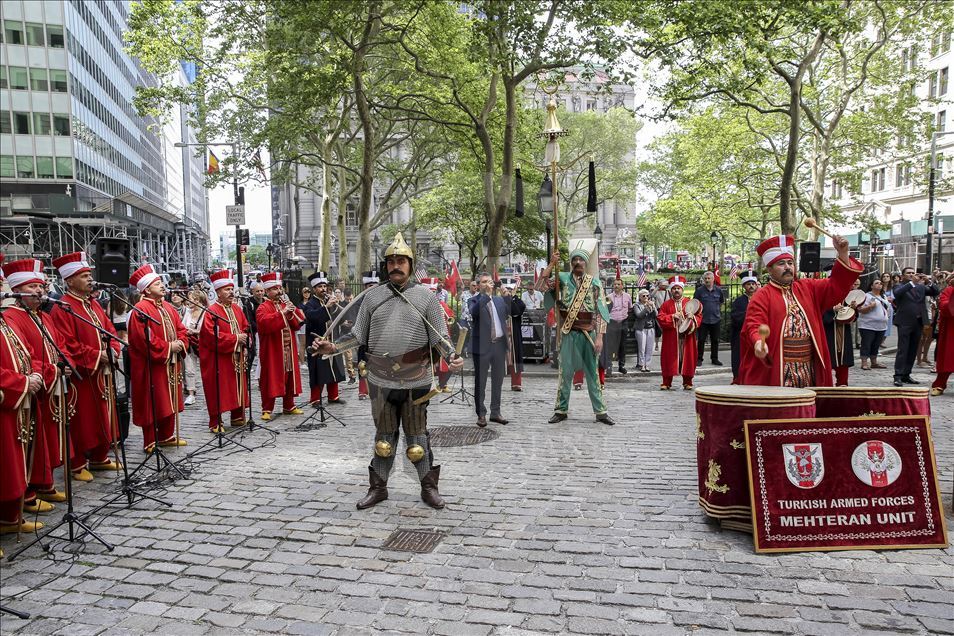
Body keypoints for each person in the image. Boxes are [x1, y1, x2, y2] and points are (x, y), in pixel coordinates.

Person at [311, 233, 462, 510]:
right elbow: (357, 336)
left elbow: (440, 337)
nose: (396, 265)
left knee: (417, 439)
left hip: (416, 378)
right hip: (381, 379)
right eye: (391, 260)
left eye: (401, 260)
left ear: (410, 264)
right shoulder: (372, 297)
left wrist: (451, 356)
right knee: (384, 438)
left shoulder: (426, 297)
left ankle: (429, 487)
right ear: (386, 265)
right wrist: (331, 348)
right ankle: (378, 487)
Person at [739, 234, 863, 387]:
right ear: (769, 269)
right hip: (779, 367)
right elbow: (754, 323)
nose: (787, 267)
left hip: (809, 368)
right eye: (781, 263)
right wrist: (758, 342)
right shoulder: (762, 295)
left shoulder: (808, 287)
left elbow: (836, 286)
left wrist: (843, 254)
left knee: (808, 406)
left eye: (790, 263)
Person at [1, 259, 67, 515]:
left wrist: (57, 366)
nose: (40, 291)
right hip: (22, 393)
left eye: (41, 286)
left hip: (35, 387)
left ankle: (36, 490)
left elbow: (29, 354)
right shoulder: (12, 317)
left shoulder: (37, 317)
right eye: (33, 286)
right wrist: (33, 377)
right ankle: (22, 500)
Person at [50, 252, 123, 480]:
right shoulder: (62, 307)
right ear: (70, 280)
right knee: (83, 419)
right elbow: (67, 343)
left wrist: (112, 349)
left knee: (104, 415)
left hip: (103, 371)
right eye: (83, 276)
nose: (90, 279)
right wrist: (95, 356)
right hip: (83, 376)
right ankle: (78, 463)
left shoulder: (93, 305)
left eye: (90, 274)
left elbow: (110, 329)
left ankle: (100, 457)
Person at [536, 241, 616, 425]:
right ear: (571, 263)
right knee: (565, 373)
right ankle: (561, 410)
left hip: (588, 333)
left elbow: (601, 311)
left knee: (592, 374)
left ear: (586, 263)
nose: (578, 262)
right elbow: (541, 286)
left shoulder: (594, 282)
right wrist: (551, 263)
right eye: (575, 259)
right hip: (569, 332)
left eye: (581, 259)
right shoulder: (562, 278)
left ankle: (601, 412)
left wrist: (600, 337)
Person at [127, 265, 189, 452]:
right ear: (146, 289)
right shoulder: (140, 309)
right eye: (157, 283)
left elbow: (181, 329)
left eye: (162, 283)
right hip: (152, 365)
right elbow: (143, 340)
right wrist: (170, 346)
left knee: (169, 399)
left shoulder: (168, 307)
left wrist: (181, 342)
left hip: (171, 363)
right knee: (153, 400)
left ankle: (167, 435)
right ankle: (150, 440)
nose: (162, 286)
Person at [0, 306, 45, 536]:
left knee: (15, 462)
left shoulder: (6, 321)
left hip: (18, 400)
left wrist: (35, 374)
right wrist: (20, 382)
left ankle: (11, 518)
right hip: (7, 398)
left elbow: (29, 352)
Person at [199, 270, 251, 432]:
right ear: (218, 292)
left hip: (237, 356)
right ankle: (216, 422)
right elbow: (209, 336)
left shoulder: (237, 309)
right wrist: (235, 339)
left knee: (238, 385)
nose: (231, 292)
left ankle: (237, 416)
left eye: (231, 289)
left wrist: (246, 341)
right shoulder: (211, 311)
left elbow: (245, 327)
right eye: (227, 289)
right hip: (219, 359)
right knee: (219, 388)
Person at [256, 272, 306, 420]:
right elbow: (264, 324)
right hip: (273, 350)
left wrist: (291, 312)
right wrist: (282, 313)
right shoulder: (263, 307)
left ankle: (289, 405)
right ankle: (267, 409)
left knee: (289, 376)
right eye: (275, 289)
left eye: (279, 288)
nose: (279, 291)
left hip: (288, 349)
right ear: (267, 291)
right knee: (270, 377)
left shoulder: (285, 304)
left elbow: (298, 324)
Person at [469, 273, 510, 427]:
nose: (487, 284)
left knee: (498, 381)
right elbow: (474, 312)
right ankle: (481, 414)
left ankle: (495, 412)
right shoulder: (474, 299)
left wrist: (508, 297)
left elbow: (513, 312)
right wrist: (486, 295)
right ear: (478, 285)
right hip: (482, 347)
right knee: (481, 382)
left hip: (499, 345)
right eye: (484, 282)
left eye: (489, 282)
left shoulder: (499, 300)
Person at [892, 267, 939, 387]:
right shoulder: (899, 286)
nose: (912, 274)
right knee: (903, 349)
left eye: (913, 273)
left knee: (913, 349)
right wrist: (912, 282)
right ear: (903, 276)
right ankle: (898, 375)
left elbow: (935, 292)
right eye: (909, 273)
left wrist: (930, 281)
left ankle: (906, 374)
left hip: (918, 321)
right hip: (905, 321)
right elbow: (897, 294)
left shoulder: (920, 287)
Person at [304, 271, 346, 406]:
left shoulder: (329, 301)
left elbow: (339, 318)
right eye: (320, 287)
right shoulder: (310, 304)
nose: (323, 289)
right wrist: (326, 307)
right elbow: (312, 317)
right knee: (318, 370)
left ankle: (333, 396)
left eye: (324, 286)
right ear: (314, 289)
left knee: (334, 367)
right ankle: (315, 399)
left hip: (332, 340)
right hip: (317, 343)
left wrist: (335, 306)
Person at [657, 276, 702, 390]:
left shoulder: (689, 302)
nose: (676, 290)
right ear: (671, 290)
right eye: (674, 288)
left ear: (682, 289)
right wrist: (672, 316)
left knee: (688, 359)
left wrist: (693, 318)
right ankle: (666, 382)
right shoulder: (666, 304)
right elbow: (660, 318)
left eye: (678, 288)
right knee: (669, 358)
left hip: (687, 337)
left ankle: (688, 382)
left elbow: (700, 314)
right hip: (671, 338)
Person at [730, 273, 759, 382]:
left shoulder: (760, 299)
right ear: (744, 286)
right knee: (739, 357)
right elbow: (735, 317)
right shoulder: (738, 301)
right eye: (748, 284)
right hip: (741, 335)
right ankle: (738, 377)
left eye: (753, 284)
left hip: (757, 335)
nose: (751, 286)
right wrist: (749, 314)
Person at [356, 270, 380, 400]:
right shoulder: (360, 301)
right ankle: (363, 390)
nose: (372, 288)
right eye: (369, 285)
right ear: (365, 286)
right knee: (362, 364)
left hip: (379, 338)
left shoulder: (384, 300)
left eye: (374, 285)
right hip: (364, 338)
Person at [693, 271, 725, 366]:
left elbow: (721, 302)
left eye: (709, 278)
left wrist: (718, 313)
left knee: (715, 340)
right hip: (703, 320)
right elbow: (695, 303)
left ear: (713, 279)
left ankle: (714, 358)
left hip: (716, 319)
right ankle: (699, 358)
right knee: (701, 340)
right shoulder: (699, 291)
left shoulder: (718, 290)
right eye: (705, 278)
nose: (707, 280)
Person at [180, 289, 206, 406]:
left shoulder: (206, 312)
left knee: (207, 369)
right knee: (189, 369)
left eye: (191, 300)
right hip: (190, 344)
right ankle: (191, 394)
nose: (189, 302)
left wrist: (195, 331)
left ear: (198, 300)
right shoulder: (188, 312)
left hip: (203, 344)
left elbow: (208, 330)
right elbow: (182, 326)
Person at [857, 278, 890, 370]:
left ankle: (874, 362)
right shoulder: (866, 296)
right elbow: (860, 310)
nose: (879, 284)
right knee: (866, 344)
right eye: (877, 283)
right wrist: (870, 306)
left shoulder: (883, 296)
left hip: (881, 326)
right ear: (871, 286)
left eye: (881, 283)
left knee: (876, 344)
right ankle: (864, 362)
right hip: (868, 325)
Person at [930, 271, 953, 395]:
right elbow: (943, 306)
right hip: (951, 330)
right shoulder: (949, 290)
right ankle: (940, 384)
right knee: (948, 357)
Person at [823, 303, 855, 387]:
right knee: (826, 362)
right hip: (828, 333)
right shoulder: (825, 294)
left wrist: (853, 308)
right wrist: (833, 309)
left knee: (843, 362)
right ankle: (825, 389)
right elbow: (818, 312)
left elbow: (853, 317)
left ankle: (843, 387)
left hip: (844, 335)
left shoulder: (846, 297)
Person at [605, 278, 633, 374]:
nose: (616, 286)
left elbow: (630, 308)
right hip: (612, 323)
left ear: (622, 286)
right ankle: (609, 365)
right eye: (615, 284)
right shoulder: (608, 297)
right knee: (610, 345)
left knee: (622, 345)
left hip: (623, 322)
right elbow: (606, 310)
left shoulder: (628, 296)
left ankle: (621, 365)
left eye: (618, 284)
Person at [503, 281, 526, 391]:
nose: (508, 292)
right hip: (501, 335)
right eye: (507, 290)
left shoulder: (519, 302)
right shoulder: (499, 301)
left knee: (515, 360)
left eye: (510, 290)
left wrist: (511, 299)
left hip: (513, 336)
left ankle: (516, 383)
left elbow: (516, 311)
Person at [632, 289, 657, 372]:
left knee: (649, 348)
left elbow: (656, 315)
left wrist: (653, 307)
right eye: (644, 296)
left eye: (647, 295)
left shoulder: (651, 303)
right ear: (640, 297)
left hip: (650, 328)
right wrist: (646, 308)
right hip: (641, 329)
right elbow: (639, 315)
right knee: (642, 348)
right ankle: (641, 364)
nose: (646, 297)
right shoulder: (637, 305)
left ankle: (647, 364)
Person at [246, 281, 265, 381]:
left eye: (261, 291)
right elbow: (249, 320)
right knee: (252, 356)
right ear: (252, 291)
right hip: (254, 333)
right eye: (257, 291)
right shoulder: (248, 303)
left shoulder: (266, 301)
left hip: (265, 333)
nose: (260, 293)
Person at [297, 286, 312, 365]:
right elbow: (302, 315)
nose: (307, 294)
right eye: (305, 292)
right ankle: (302, 362)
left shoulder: (312, 302)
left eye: (308, 292)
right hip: (303, 325)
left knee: (309, 344)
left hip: (311, 325)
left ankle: (310, 361)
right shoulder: (300, 304)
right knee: (302, 344)